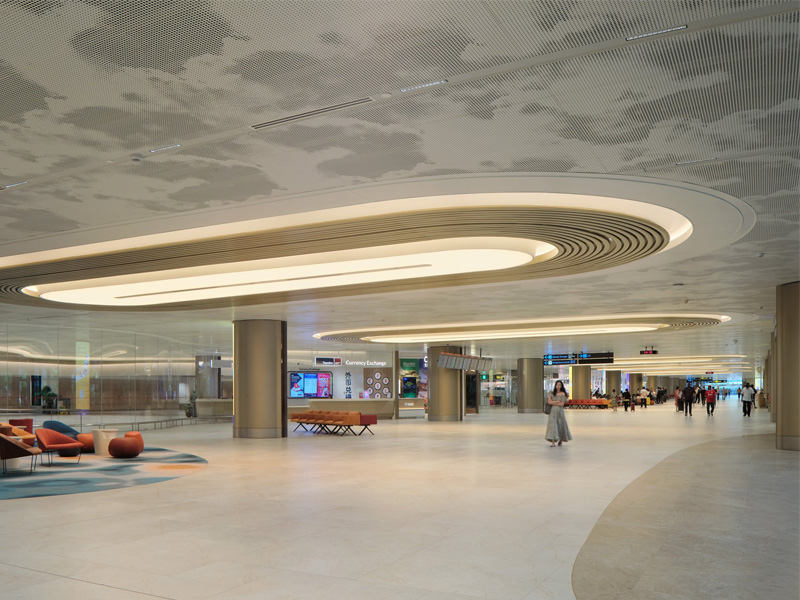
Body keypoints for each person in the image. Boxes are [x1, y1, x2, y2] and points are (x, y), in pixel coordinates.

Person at [545, 380, 573, 447]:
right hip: (552, 411)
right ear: (555, 385)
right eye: (557, 385)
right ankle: (553, 441)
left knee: (560, 424)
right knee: (552, 425)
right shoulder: (551, 393)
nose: (558, 386)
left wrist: (554, 402)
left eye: (560, 385)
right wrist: (557, 402)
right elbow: (549, 402)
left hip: (560, 411)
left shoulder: (562, 394)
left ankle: (561, 439)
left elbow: (562, 404)